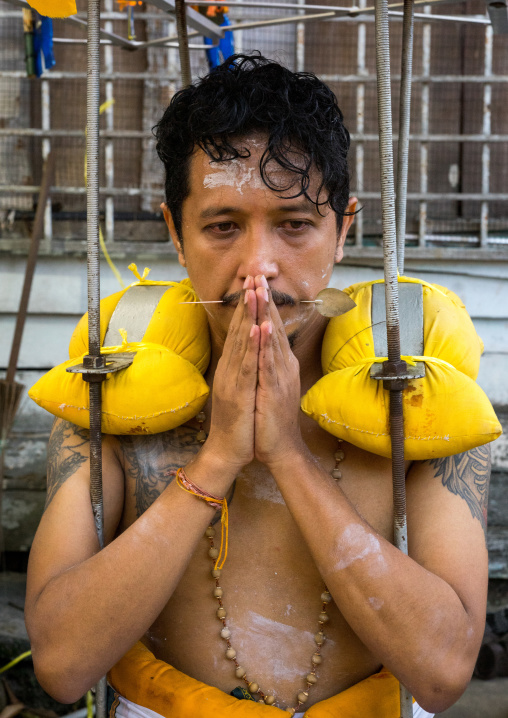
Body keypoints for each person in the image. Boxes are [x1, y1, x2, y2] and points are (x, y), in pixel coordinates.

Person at [25, 54, 491, 718]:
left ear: (342, 231)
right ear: (175, 235)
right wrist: (217, 460)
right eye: (222, 227)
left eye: (295, 224)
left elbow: (444, 674)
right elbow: (64, 666)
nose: (258, 271)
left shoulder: (413, 381)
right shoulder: (114, 376)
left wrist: (289, 458)